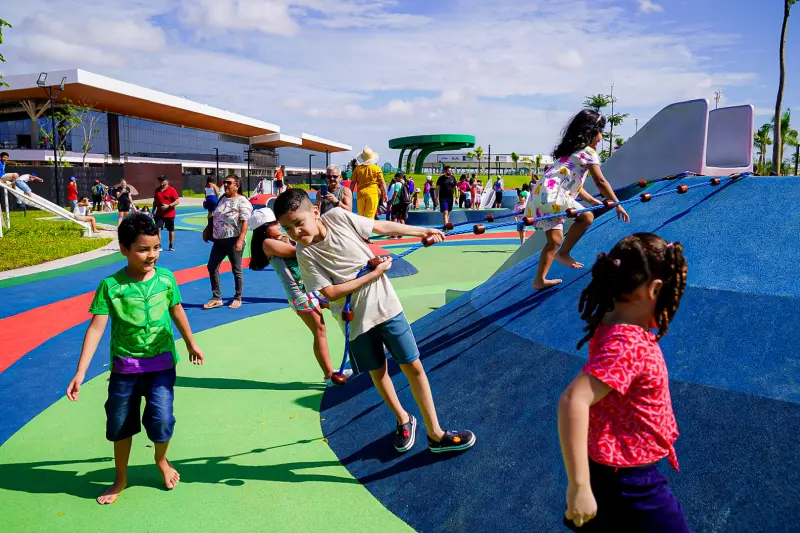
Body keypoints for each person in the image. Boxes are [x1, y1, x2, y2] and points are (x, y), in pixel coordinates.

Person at [273, 189, 476, 454]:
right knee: (378, 373)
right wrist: (374, 273)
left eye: (299, 223)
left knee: (413, 366)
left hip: (386, 308)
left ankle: (435, 434)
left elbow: (380, 226)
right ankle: (403, 418)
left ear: (314, 212)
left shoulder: (338, 217)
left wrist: (421, 231)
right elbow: (330, 293)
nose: (295, 232)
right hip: (356, 323)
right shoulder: (304, 252)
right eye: (287, 229)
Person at [66, 213, 204, 505]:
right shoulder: (111, 286)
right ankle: (121, 476)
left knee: (162, 420)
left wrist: (191, 343)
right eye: (143, 249)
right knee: (120, 424)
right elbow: (96, 328)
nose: (151, 254)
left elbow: (177, 310)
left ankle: (161, 460)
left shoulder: (166, 279)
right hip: (125, 369)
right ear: (124, 249)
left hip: (161, 366)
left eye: (156, 247)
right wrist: (80, 372)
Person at [558, 233, 689, 532]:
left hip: (614, 468)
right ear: (655, 289)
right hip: (631, 483)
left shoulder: (611, 321)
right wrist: (579, 486)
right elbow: (573, 400)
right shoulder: (628, 343)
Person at [249, 208, 352, 386]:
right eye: (273, 223)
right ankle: (329, 375)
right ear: (264, 229)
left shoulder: (280, 238)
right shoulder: (268, 243)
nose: (279, 225)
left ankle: (360, 349)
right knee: (319, 330)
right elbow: (295, 251)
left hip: (310, 289)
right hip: (300, 294)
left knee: (341, 308)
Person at [531, 110, 630, 290]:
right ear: (592, 132)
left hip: (541, 195)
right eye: (600, 132)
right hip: (554, 195)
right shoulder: (588, 152)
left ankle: (539, 280)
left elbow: (573, 185)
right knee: (586, 217)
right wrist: (617, 204)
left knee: (554, 240)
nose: (601, 138)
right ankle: (564, 253)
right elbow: (600, 182)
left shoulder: (570, 153)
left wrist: (591, 200)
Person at [203, 175, 253, 310]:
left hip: (234, 239)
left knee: (236, 269)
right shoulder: (222, 198)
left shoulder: (242, 201)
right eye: (224, 182)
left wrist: (240, 240)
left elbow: (245, 221)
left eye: (229, 183)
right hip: (219, 240)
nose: (225, 185)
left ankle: (238, 297)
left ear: (237, 185)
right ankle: (216, 297)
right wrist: (207, 230)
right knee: (212, 266)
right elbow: (215, 216)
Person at [350, 146, 388, 221]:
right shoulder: (376, 168)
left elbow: (352, 183)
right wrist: (385, 194)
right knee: (370, 217)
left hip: (361, 194)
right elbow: (382, 182)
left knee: (361, 217)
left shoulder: (357, 169)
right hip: (372, 193)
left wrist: (350, 194)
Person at [152, 175, 180, 252]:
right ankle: (158, 244)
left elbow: (177, 201)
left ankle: (171, 244)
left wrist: (168, 206)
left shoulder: (172, 190)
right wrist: (153, 211)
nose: (161, 182)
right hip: (159, 214)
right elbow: (155, 201)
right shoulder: (157, 190)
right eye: (160, 180)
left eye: (162, 180)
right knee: (157, 229)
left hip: (170, 214)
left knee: (171, 230)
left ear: (166, 181)